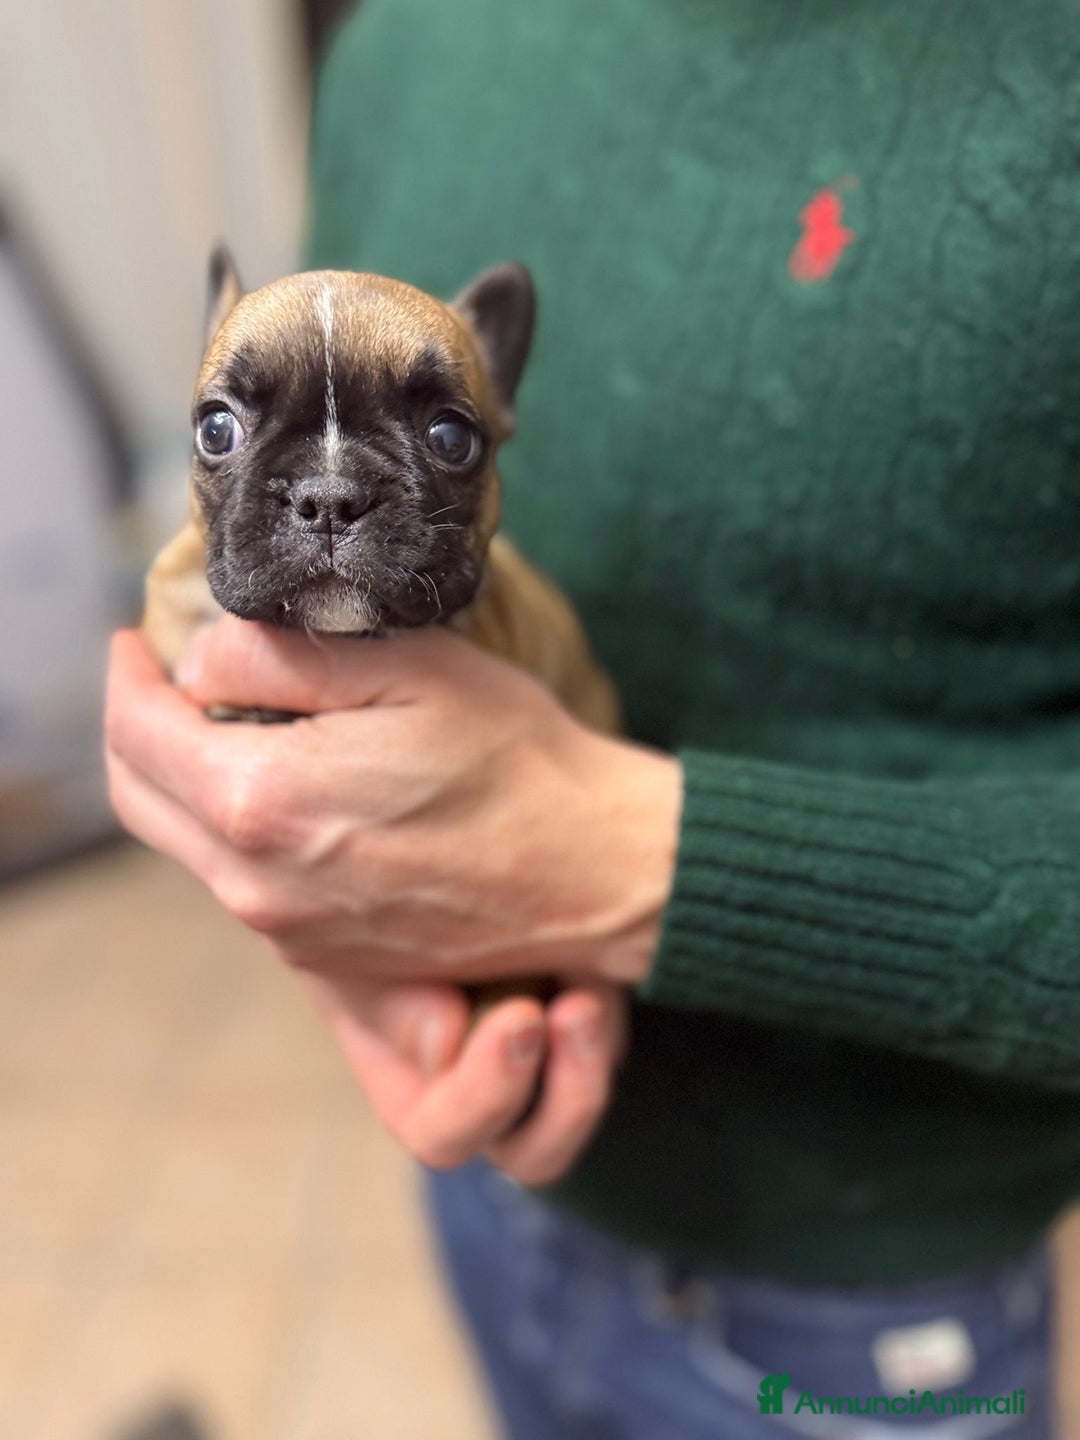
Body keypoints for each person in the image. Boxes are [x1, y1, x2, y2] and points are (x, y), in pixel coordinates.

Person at [106, 1, 1080, 1434]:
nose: (322, 494)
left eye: (437, 436)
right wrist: (336, 911)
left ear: (498, 413)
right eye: (230, 431)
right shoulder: (399, 40)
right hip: (496, 1196)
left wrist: (637, 861)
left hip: (867, 1290)